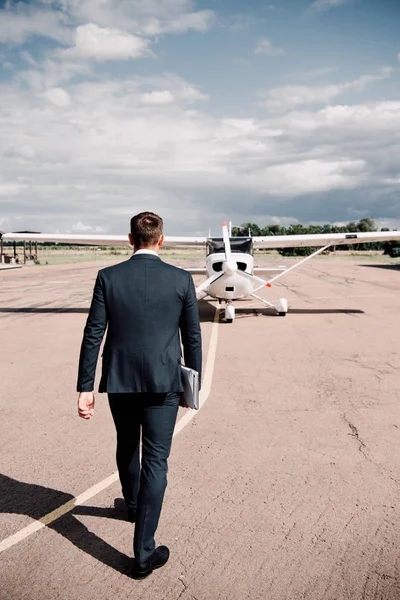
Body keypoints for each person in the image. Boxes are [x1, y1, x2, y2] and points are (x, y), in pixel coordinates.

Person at [76, 211, 202, 579]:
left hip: (121, 380)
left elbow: (92, 334)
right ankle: (144, 551)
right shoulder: (181, 279)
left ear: (130, 239)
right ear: (161, 239)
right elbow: (191, 337)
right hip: (164, 383)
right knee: (156, 462)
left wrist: (85, 387)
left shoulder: (108, 277)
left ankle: (132, 504)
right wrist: (191, 387)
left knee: (127, 443)